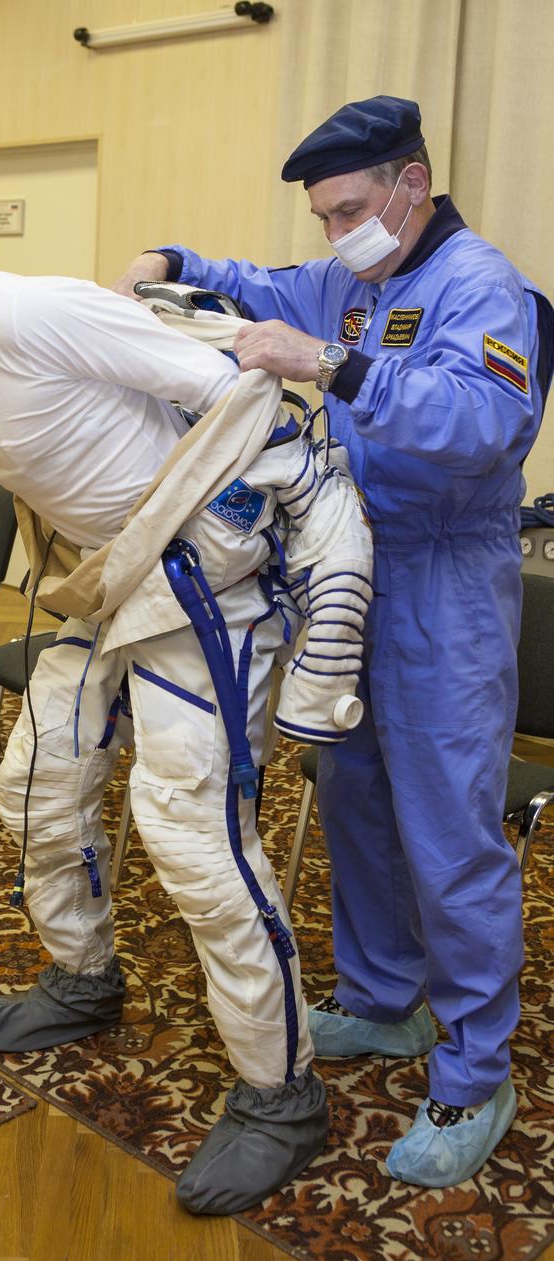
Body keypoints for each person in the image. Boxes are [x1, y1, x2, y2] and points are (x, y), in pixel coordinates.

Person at [0, 240, 374, 1215]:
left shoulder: (19, 312)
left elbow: (234, 388)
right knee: (35, 785)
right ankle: (84, 975)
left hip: (201, 599)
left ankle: (281, 1089)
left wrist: (233, 530)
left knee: (194, 837)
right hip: (114, 593)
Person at [112, 93, 554, 1189]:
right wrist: (166, 257)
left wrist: (334, 366)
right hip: (345, 569)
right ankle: (381, 996)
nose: (333, 232)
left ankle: (473, 1069)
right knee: (352, 795)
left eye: (348, 207)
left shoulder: (478, 285)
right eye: (321, 215)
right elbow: (256, 288)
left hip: (444, 580)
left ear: (411, 184)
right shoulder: (351, 278)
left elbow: (483, 425)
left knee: (449, 830)